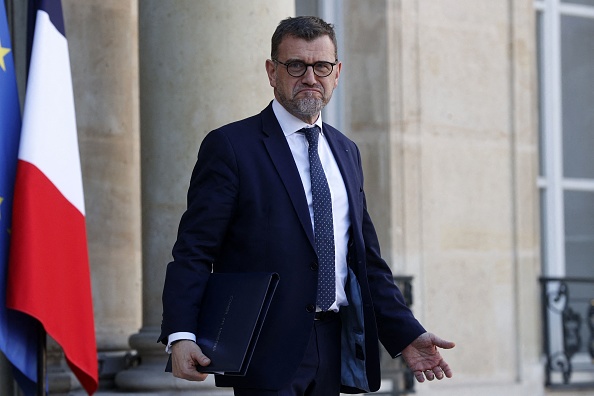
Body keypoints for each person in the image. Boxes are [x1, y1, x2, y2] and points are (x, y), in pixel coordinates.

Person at [159, 15, 455, 396]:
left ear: (337, 72)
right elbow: (194, 250)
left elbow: (365, 261)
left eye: (322, 66)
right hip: (263, 352)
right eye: (296, 65)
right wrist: (181, 333)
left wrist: (406, 334)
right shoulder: (232, 147)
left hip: (333, 344)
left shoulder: (346, 151)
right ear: (272, 71)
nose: (310, 77)